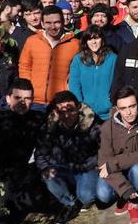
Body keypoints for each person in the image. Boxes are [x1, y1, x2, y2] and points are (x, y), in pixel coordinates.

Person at [0, 79, 48, 222]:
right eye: (18, 98)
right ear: (8, 98)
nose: (22, 102)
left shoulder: (37, 119)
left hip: (23, 174)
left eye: (27, 99)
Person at [97, 85, 138, 224]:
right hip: (117, 172)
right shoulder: (108, 127)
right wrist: (125, 190)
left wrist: (113, 164)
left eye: (132, 106)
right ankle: (126, 196)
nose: (129, 112)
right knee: (103, 194)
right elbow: (103, 160)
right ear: (117, 109)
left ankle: (135, 203)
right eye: (123, 108)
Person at [36, 91, 101, 223]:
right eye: (61, 111)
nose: (66, 115)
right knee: (48, 174)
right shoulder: (49, 127)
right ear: (56, 112)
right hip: (63, 168)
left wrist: (92, 165)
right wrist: (46, 168)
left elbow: (104, 151)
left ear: (78, 107)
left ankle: (81, 195)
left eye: (70, 109)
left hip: (87, 168)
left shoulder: (94, 124)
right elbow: (40, 153)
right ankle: (70, 202)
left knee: (86, 197)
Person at [19, 5, 80, 110]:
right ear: (42, 23)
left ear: (62, 22)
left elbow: (78, 72)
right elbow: (24, 67)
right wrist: (28, 90)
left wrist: (68, 90)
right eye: (48, 23)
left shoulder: (75, 44)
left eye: (57, 22)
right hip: (34, 101)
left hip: (61, 102)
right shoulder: (32, 41)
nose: (53, 27)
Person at [69, 25, 118, 121]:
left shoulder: (113, 58)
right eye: (90, 39)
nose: (94, 42)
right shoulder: (78, 60)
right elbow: (74, 85)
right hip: (85, 113)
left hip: (108, 114)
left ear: (102, 40)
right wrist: (80, 106)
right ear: (85, 42)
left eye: (96, 38)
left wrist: (112, 103)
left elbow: (117, 84)